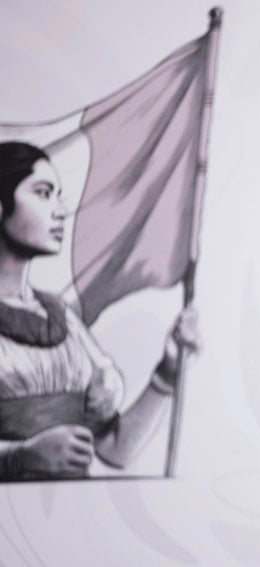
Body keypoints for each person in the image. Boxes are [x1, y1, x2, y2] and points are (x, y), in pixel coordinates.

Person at [0, 140, 199, 480]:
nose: (60, 210)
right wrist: (20, 457)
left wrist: (167, 371)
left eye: (58, 195)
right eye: (44, 193)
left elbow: (115, 449)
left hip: (71, 521)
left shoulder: (60, 317)